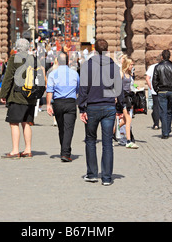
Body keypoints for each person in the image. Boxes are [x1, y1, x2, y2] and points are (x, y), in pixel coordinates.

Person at [78, 39, 124, 186]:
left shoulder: (87, 65)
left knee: (90, 140)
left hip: (92, 107)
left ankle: (92, 174)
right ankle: (106, 178)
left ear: (94, 49)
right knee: (107, 143)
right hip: (109, 107)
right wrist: (120, 107)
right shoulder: (114, 67)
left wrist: (81, 108)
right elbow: (119, 89)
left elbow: (83, 89)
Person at [0, 38, 39, 159]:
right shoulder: (33, 59)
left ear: (17, 48)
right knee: (26, 122)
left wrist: (3, 95)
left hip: (17, 96)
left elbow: (8, 78)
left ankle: (15, 150)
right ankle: (28, 150)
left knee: (14, 122)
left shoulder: (14, 59)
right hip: (30, 96)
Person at [46, 51, 79, 162]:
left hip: (58, 103)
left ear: (57, 61)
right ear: (68, 61)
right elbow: (78, 88)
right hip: (70, 102)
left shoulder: (52, 74)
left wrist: (48, 105)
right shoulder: (74, 73)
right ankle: (65, 153)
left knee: (61, 128)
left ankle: (64, 151)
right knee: (68, 128)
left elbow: (49, 91)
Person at [152, 50, 172, 139]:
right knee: (169, 111)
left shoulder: (158, 67)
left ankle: (165, 132)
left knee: (163, 112)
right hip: (171, 91)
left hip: (162, 91)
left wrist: (157, 90)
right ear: (169, 56)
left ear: (162, 57)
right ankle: (168, 129)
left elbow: (154, 81)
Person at [120, 56, 139, 149]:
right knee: (128, 120)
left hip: (130, 98)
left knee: (123, 121)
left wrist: (137, 87)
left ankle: (110, 133)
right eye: (131, 64)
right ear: (127, 65)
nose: (132, 66)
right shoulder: (122, 74)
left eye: (133, 64)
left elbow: (132, 84)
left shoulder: (131, 75)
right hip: (124, 98)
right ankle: (128, 141)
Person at [145, 57, 161, 130]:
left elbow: (147, 78)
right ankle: (165, 124)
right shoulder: (164, 66)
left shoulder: (152, 67)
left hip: (155, 90)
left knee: (156, 106)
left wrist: (151, 87)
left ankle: (156, 124)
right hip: (164, 90)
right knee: (163, 107)